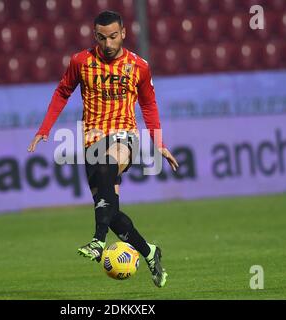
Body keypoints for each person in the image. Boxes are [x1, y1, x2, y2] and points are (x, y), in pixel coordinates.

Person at [27, 11, 179, 288]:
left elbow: (148, 105)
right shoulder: (81, 62)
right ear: (94, 35)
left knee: (109, 166)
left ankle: (98, 241)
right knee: (111, 213)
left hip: (124, 136)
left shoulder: (138, 66)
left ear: (123, 33)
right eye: (101, 37)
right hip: (92, 140)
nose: (108, 44)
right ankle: (150, 252)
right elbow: (62, 92)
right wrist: (44, 129)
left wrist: (159, 144)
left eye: (112, 37)